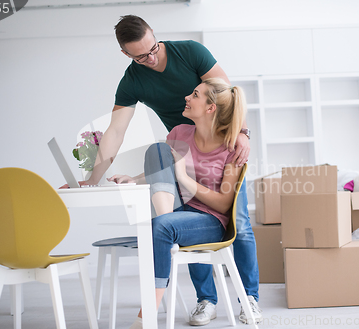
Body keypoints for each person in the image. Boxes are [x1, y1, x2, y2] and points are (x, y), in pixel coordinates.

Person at [80, 15, 262, 325]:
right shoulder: (133, 81)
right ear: (126, 54)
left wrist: (242, 133)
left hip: (220, 143)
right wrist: (90, 180)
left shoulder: (190, 52)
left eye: (153, 49)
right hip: (185, 146)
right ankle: (206, 299)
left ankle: (250, 298)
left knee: (239, 223)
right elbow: (115, 132)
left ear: (154, 35)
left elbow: (225, 92)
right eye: (140, 56)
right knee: (182, 215)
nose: (150, 59)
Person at [116, 78, 245, 329]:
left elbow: (223, 204)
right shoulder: (179, 133)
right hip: (177, 210)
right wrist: (134, 178)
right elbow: (164, 169)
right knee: (157, 150)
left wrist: (184, 179)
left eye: (195, 94)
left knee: (161, 227)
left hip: (209, 220)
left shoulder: (231, 147)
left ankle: (147, 315)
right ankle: (166, 225)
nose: (187, 97)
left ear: (210, 108)